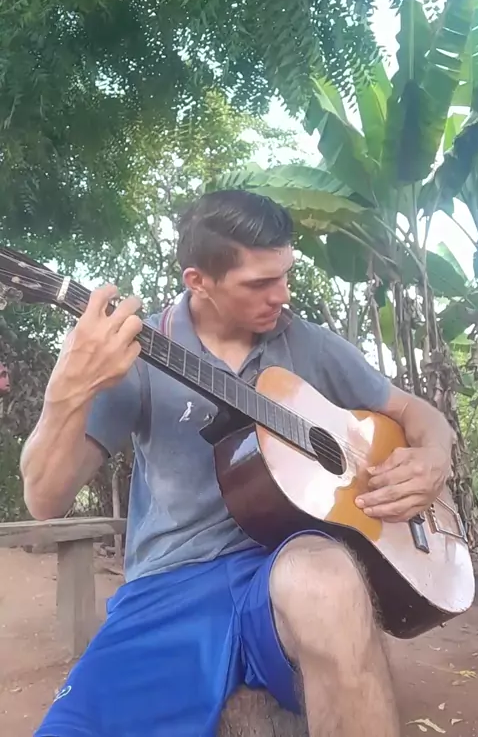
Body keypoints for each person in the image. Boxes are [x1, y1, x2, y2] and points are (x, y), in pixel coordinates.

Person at [22, 190, 453, 737]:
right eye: (259, 283)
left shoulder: (308, 344)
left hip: (289, 560)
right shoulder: (137, 355)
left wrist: (434, 457)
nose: (282, 294)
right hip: (171, 586)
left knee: (328, 580)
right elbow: (44, 498)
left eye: (285, 274)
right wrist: (67, 392)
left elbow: (416, 412)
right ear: (198, 280)